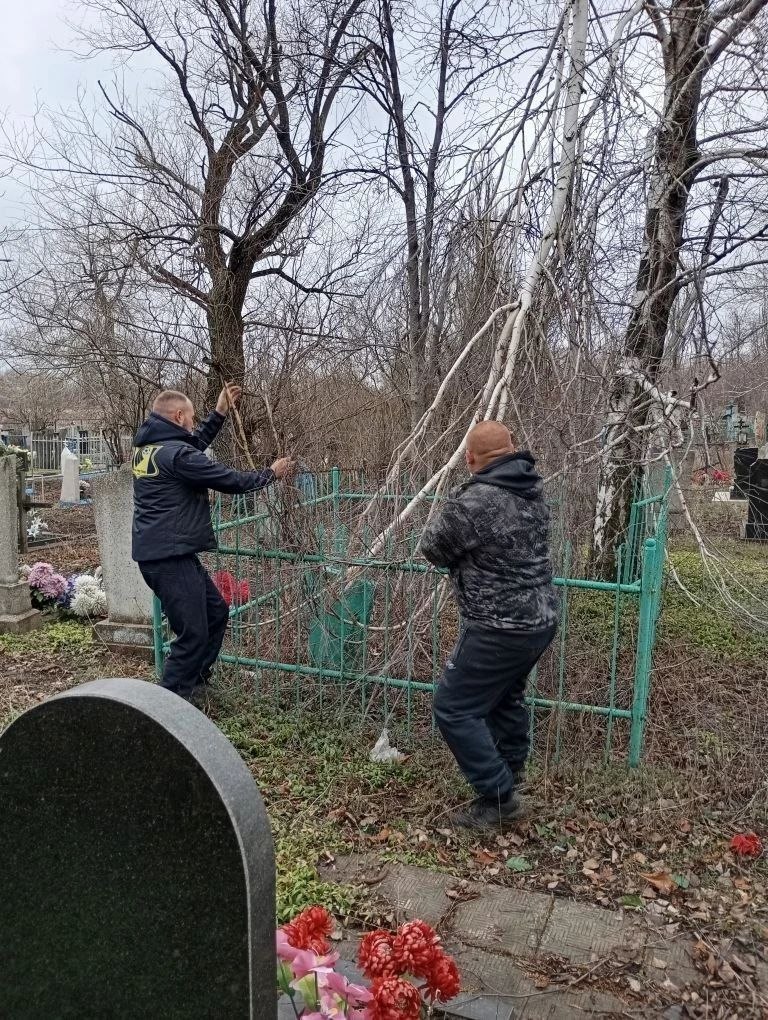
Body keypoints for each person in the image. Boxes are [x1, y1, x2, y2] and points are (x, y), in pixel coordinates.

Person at [419, 421, 558, 830]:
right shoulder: (532, 489)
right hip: (540, 621)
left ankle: (498, 797)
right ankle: (511, 773)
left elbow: (432, 548)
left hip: (498, 626)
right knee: (504, 699)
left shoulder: (475, 501)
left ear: (470, 459)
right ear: (512, 449)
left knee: (454, 707)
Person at [131, 384, 293, 701]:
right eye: (190, 419)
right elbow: (230, 480)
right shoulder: (176, 455)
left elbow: (191, 447)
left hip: (165, 553)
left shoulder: (151, 451)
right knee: (192, 633)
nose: (193, 425)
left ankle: (195, 684)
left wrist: (218, 413)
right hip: (169, 557)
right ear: (178, 417)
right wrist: (270, 474)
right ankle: (167, 705)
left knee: (216, 611)